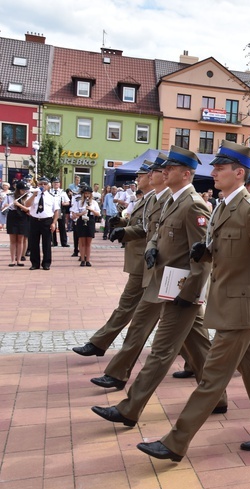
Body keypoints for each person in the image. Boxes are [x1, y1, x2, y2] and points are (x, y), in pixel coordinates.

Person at [136, 141, 250, 461]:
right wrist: (204, 251)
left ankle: (175, 442)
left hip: (240, 308)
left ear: (239, 173)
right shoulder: (223, 206)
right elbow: (224, 246)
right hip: (228, 303)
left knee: (211, 378)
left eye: (220, 168)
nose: (213, 172)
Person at [91, 146, 227, 426]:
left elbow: (202, 258)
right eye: (164, 168)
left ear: (186, 174)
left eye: (171, 168)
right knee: (198, 344)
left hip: (181, 290)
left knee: (161, 351)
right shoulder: (170, 201)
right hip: (164, 283)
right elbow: (155, 234)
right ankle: (218, 397)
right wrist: (152, 248)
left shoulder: (194, 205)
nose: (164, 171)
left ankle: (129, 409)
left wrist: (189, 295)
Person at [82, 154, 172, 385]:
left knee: (146, 319)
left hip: (164, 272)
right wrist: (122, 227)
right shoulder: (155, 199)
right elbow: (145, 228)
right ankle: (114, 368)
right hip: (150, 266)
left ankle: (113, 365)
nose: (144, 177)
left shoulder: (174, 200)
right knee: (189, 332)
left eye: (147, 173)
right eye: (145, 173)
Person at [71, 159, 160, 358]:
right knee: (173, 315)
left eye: (142, 175)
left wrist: (124, 231)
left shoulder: (156, 199)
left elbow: (150, 230)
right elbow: (139, 221)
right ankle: (194, 356)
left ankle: (99, 343)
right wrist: (120, 221)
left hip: (146, 262)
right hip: (140, 261)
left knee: (132, 308)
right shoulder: (146, 198)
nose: (138, 178)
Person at [24, 176, 60, 271]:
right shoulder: (33, 195)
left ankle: (46, 263)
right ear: (38, 185)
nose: (42, 186)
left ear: (48, 186)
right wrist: (33, 195)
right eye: (40, 184)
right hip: (34, 220)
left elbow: (56, 211)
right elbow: (27, 205)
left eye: (44, 184)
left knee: (47, 243)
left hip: (46, 221)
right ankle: (35, 263)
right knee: (34, 243)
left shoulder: (52, 197)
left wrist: (54, 223)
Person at [71, 184, 100, 266]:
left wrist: (92, 210)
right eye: (85, 193)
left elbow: (98, 213)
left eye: (88, 193)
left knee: (88, 242)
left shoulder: (94, 203)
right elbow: (75, 214)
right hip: (81, 220)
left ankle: (88, 260)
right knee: (82, 241)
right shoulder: (79, 202)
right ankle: (82, 259)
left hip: (90, 221)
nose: (87, 195)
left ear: (91, 194)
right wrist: (81, 213)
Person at [3, 181, 31, 266]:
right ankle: (12, 260)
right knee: (12, 240)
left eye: (26, 190)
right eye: (23, 190)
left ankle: (19, 259)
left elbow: (28, 210)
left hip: (22, 217)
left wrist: (19, 204)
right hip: (12, 216)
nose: (25, 191)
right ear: (18, 190)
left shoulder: (27, 197)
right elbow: (3, 206)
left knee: (20, 239)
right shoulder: (9, 196)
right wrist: (5, 205)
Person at [49, 177, 70, 247]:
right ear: (52, 184)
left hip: (61, 210)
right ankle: (53, 241)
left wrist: (64, 203)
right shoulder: (49, 192)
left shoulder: (62, 192)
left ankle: (64, 242)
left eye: (57, 183)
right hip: (52, 211)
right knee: (53, 226)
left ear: (59, 184)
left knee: (62, 227)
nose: (56, 184)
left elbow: (68, 202)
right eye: (55, 183)